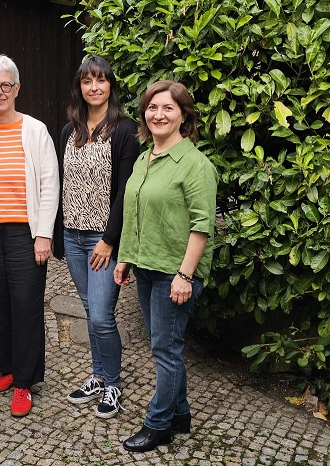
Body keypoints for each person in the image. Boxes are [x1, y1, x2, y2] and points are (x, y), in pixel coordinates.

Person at [113, 80, 217, 452]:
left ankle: (159, 424)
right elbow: (134, 213)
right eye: (152, 107)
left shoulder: (195, 164)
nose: (158, 114)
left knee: (164, 349)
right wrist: (125, 258)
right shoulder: (145, 158)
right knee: (166, 346)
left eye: (168, 108)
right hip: (147, 266)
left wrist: (185, 275)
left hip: (175, 273)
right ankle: (181, 413)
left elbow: (202, 224)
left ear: (183, 115)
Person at [0, 55, 59, 417]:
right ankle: (5, 369)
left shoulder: (35, 130)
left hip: (25, 232)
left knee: (25, 305)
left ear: (17, 88)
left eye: (6, 85)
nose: (0, 91)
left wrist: (43, 234)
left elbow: (50, 185)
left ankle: (24, 382)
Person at [53, 56, 139, 418]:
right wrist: (59, 233)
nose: (94, 87)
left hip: (103, 240)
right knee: (91, 313)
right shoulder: (68, 130)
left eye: (101, 80)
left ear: (110, 86)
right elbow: (63, 184)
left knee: (102, 316)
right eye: (87, 81)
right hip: (73, 235)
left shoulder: (124, 130)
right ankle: (99, 377)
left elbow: (125, 193)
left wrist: (110, 240)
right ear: (79, 86)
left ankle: (114, 384)